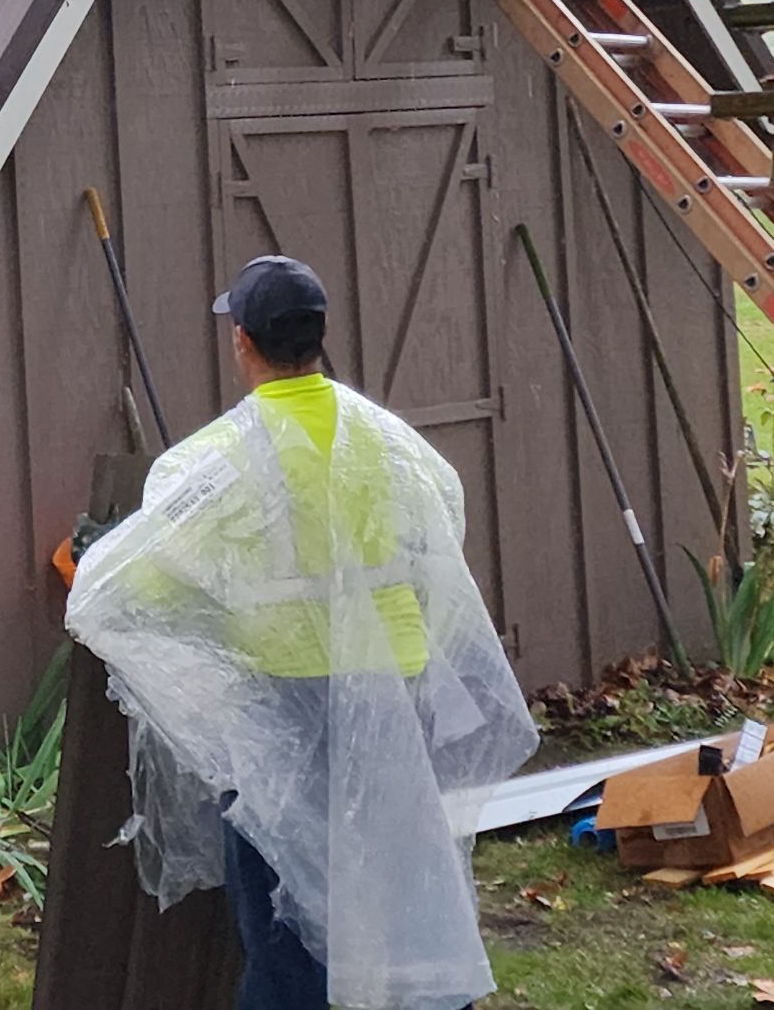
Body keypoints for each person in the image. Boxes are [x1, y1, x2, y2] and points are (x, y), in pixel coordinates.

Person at [65, 255, 537, 1010]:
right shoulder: (387, 440)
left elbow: (133, 587)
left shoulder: (217, 461)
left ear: (242, 342)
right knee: (392, 884)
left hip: (283, 705)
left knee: (285, 902)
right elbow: (442, 522)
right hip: (395, 688)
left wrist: (103, 555)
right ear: (317, 338)